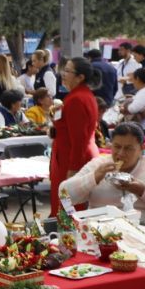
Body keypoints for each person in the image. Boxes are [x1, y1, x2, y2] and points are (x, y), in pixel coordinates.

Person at [60, 122, 145, 220]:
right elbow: (63, 195)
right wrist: (94, 177)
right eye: (117, 147)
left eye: (128, 149)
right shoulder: (98, 165)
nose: (121, 153)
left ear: (141, 149)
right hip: (101, 232)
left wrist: (142, 190)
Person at [49, 57, 101, 215]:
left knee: (68, 210)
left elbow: (79, 140)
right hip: (71, 157)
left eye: (68, 71)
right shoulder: (81, 95)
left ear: (80, 77)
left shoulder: (77, 99)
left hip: (72, 160)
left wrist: (73, 170)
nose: (63, 74)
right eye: (64, 70)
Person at [121, 68, 145, 137]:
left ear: (137, 79)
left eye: (133, 80)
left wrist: (125, 106)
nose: (133, 83)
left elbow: (132, 109)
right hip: (144, 127)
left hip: (144, 128)